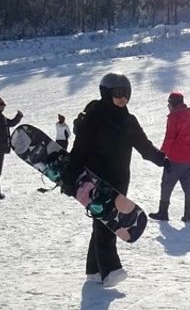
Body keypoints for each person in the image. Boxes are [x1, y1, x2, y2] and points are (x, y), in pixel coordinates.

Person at [61, 72, 168, 287]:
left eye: (126, 94)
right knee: (109, 225)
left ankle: (94, 271)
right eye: (117, 93)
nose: (122, 98)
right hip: (96, 180)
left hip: (119, 181)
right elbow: (79, 150)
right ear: (106, 93)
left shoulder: (129, 121)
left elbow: (144, 147)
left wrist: (163, 160)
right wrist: (69, 178)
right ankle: (111, 270)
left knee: (102, 222)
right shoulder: (93, 118)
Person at [150, 92, 190, 223]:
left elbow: (169, 138)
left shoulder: (173, 118)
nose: (168, 106)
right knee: (188, 188)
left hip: (175, 159)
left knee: (166, 185)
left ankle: (163, 212)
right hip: (189, 159)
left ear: (173, 104)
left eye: (169, 103)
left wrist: (161, 155)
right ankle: (188, 215)